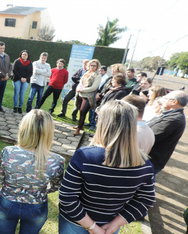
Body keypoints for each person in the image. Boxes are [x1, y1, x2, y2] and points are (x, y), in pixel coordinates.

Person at [59, 100, 156, 234]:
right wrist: (115, 224)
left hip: (75, 222)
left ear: (103, 123)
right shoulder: (145, 165)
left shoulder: (85, 156)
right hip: (109, 226)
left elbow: (67, 196)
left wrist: (92, 227)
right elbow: (146, 200)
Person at [0, 109, 65, 234]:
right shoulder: (57, 161)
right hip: (36, 206)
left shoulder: (8, 152)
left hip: (7, 202)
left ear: (24, 128)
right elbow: (55, 186)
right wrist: (39, 190)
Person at [148, 90, 187, 174]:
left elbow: (151, 136)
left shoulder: (174, 119)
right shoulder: (170, 114)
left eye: (166, 98)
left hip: (152, 160)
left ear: (174, 102)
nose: (163, 100)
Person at [73, 59, 101, 136]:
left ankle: (78, 129)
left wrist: (82, 89)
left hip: (89, 97)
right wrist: (78, 88)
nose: (92, 67)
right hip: (80, 94)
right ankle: (81, 126)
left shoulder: (97, 75)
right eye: (91, 65)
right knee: (80, 110)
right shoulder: (86, 73)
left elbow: (94, 87)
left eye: (94, 65)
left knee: (82, 111)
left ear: (97, 66)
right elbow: (80, 82)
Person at [86, 65, 109, 131]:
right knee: (91, 108)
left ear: (105, 71)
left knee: (94, 110)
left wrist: (99, 94)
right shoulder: (98, 76)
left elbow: (103, 88)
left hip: (99, 95)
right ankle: (90, 122)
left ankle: (93, 125)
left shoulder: (106, 78)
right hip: (94, 93)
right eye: (99, 70)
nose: (100, 72)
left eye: (102, 71)